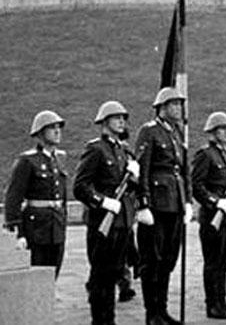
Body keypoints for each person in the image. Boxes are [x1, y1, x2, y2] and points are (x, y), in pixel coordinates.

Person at [73, 100, 140, 325]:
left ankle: (108, 320)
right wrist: (103, 202)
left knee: (112, 274)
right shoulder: (96, 149)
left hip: (121, 223)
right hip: (103, 222)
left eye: (123, 118)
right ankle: (99, 321)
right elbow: (80, 186)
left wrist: (134, 178)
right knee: (100, 276)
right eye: (116, 117)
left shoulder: (121, 150)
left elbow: (126, 188)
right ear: (104, 121)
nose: (122, 121)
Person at [134, 87, 188, 325]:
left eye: (179, 104)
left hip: (174, 203)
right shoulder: (149, 131)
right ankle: (151, 313)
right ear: (162, 108)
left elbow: (182, 170)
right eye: (174, 104)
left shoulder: (176, 133)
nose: (178, 108)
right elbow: (142, 169)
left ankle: (162, 310)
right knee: (152, 260)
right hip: (156, 205)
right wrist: (143, 203)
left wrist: (187, 201)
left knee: (168, 259)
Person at [191, 111, 226, 319]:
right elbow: (197, 186)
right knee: (213, 261)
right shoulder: (205, 154)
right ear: (212, 132)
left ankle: (221, 301)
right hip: (214, 216)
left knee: (224, 261)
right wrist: (214, 201)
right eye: (222, 128)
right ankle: (212, 304)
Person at [3, 110, 68, 277]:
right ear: (40, 133)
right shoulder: (28, 160)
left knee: (53, 275)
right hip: (36, 229)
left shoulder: (60, 158)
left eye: (58, 127)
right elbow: (13, 197)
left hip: (56, 227)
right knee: (36, 277)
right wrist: (18, 232)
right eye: (52, 128)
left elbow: (63, 196)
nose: (57, 131)